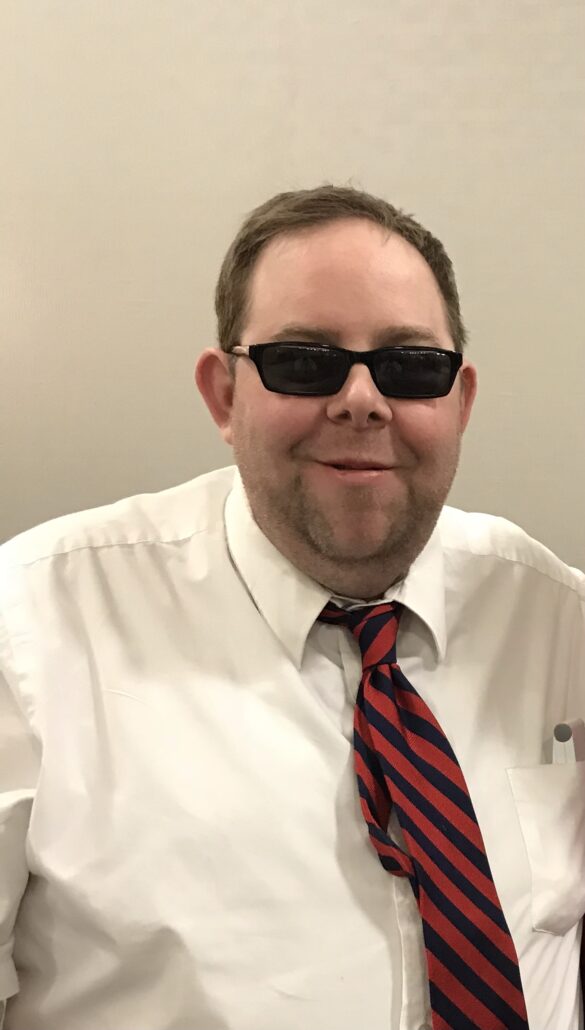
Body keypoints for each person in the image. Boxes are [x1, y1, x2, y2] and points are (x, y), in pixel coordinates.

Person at [0, 185, 584, 1030]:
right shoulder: (31, 626)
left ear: (458, 403)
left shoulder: (558, 626)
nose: (360, 399)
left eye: (410, 366)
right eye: (304, 362)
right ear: (224, 397)